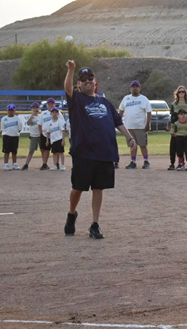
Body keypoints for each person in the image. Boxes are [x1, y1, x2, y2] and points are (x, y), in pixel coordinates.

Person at [62, 62, 136, 239]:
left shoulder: (105, 102)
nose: (87, 81)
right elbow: (67, 88)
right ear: (78, 84)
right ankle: (72, 213)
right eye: (83, 80)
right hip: (83, 152)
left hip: (104, 152)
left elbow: (118, 121)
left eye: (90, 78)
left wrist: (129, 137)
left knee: (98, 188)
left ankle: (95, 224)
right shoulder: (77, 100)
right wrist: (71, 71)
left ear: (96, 82)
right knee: (78, 188)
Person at [118, 80, 151, 169]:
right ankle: (133, 161)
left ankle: (146, 161)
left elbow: (148, 112)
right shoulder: (126, 98)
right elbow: (121, 111)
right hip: (128, 127)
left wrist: (147, 124)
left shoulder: (143, 99)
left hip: (140, 126)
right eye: (133, 87)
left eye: (136, 87)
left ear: (139, 88)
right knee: (132, 145)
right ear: (130, 88)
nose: (135, 88)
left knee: (143, 145)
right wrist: (117, 121)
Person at [0, 105, 22, 171]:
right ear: (7, 110)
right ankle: (6, 164)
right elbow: (2, 127)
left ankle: (14, 164)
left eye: (12, 110)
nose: (11, 111)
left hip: (15, 136)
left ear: (14, 111)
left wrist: (16, 133)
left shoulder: (17, 118)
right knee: (6, 151)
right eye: (9, 110)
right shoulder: (4, 118)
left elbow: (20, 128)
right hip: (7, 136)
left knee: (14, 151)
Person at [22, 102, 43, 171]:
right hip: (33, 136)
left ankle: (44, 163)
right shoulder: (30, 116)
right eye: (33, 108)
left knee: (42, 150)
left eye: (36, 107)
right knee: (31, 151)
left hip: (40, 135)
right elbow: (28, 123)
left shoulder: (40, 116)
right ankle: (26, 164)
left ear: (38, 108)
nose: (35, 109)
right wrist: (32, 115)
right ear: (31, 109)